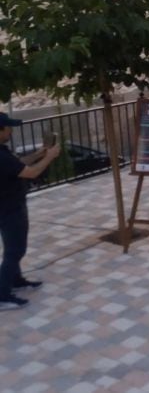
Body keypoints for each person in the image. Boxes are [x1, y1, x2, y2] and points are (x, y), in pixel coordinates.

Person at [0, 112, 61, 310]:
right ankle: (2, 295)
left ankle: (15, 280)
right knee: (15, 251)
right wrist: (50, 157)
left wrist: (39, 153)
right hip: (10, 209)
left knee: (13, 249)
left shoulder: (3, 152)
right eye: (8, 127)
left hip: (10, 206)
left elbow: (19, 164)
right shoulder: (1, 156)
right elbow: (32, 172)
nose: (11, 130)